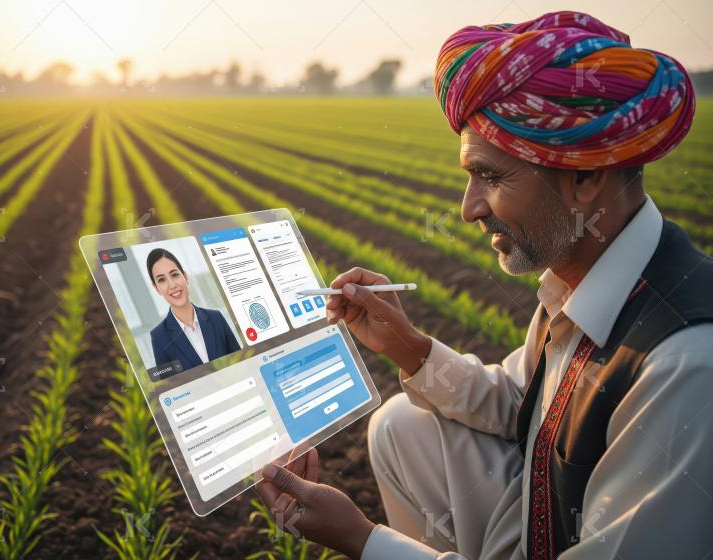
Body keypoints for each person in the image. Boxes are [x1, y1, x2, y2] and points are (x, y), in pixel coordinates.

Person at [255, 11, 713, 560]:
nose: (469, 208)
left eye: (490, 176)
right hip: (545, 516)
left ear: (586, 176)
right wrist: (406, 345)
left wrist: (362, 540)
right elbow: (523, 404)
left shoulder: (685, 364)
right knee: (402, 425)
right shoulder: (582, 280)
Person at [147, 248, 240, 369]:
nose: (172, 285)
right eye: (162, 280)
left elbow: (241, 362)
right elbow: (169, 380)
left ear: (185, 277)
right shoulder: (159, 336)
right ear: (157, 289)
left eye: (175, 275)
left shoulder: (216, 318)